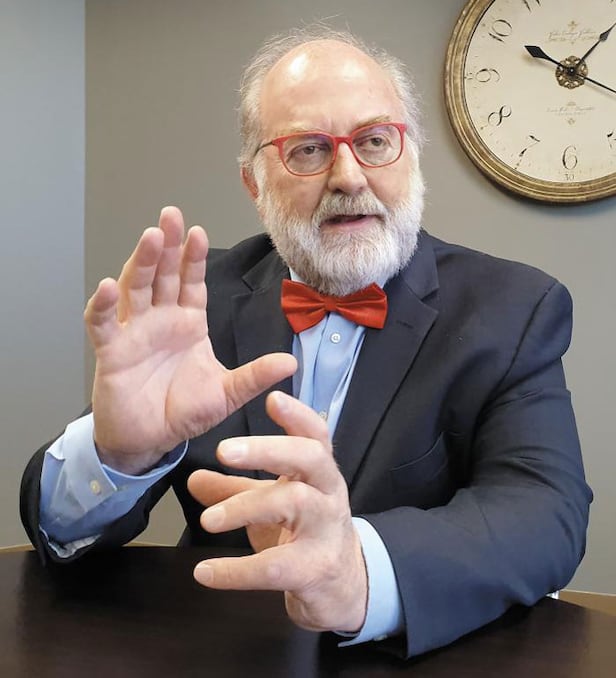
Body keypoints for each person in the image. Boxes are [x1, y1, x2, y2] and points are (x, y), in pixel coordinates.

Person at [20, 26, 592, 658]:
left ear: (410, 157)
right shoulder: (194, 302)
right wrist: (117, 455)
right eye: (309, 150)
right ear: (253, 183)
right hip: (217, 652)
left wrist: (356, 572)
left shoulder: (515, 308)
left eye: (374, 141)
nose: (348, 176)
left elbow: (544, 512)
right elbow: (60, 531)